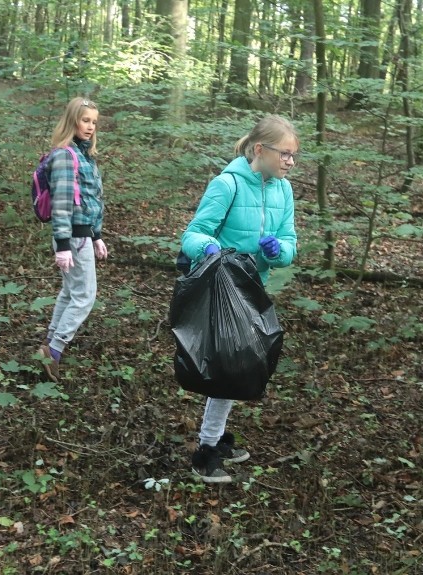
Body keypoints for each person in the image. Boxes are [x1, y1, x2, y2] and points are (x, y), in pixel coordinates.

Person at [180, 115, 299, 483]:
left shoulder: (283, 191)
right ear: (259, 150)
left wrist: (279, 251)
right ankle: (206, 450)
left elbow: (291, 244)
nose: (290, 162)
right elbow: (193, 234)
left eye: (295, 155)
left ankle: (214, 439)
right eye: (285, 153)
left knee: (239, 364)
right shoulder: (226, 184)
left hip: (253, 290)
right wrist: (209, 247)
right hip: (220, 288)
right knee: (228, 366)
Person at [37, 97, 107, 382]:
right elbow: (63, 204)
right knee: (84, 296)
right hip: (73, 239)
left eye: (93, 122)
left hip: (81, 236)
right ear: (72, 121)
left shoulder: (84, 155)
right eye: (85, 120)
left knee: (69, 293)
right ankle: (54, 350)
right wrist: (64, 245)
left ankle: (48, 346)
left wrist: (97, 235)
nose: (90, 127)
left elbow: (90, 199)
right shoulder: (66, 155)